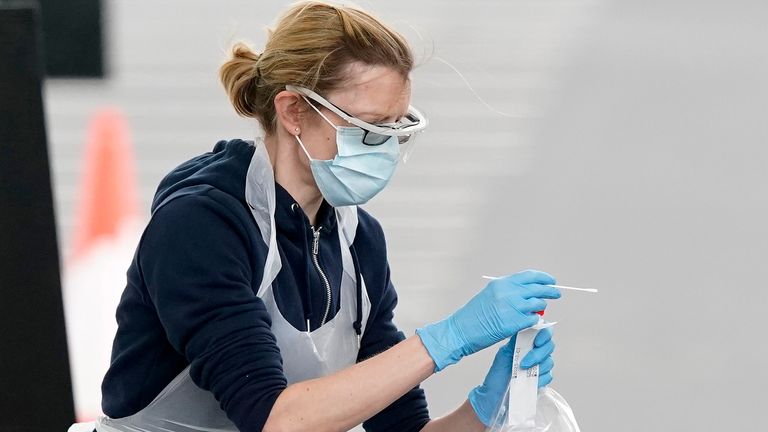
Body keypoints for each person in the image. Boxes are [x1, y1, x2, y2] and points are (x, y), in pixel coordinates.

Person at [91, 2, 561, 432]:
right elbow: (276, 419)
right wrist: (448, 339)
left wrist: (485, 407)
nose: (384, 150)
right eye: (367, 128)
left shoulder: (358, 241)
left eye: (395, 129)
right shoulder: (200, 226)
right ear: (294, 109)